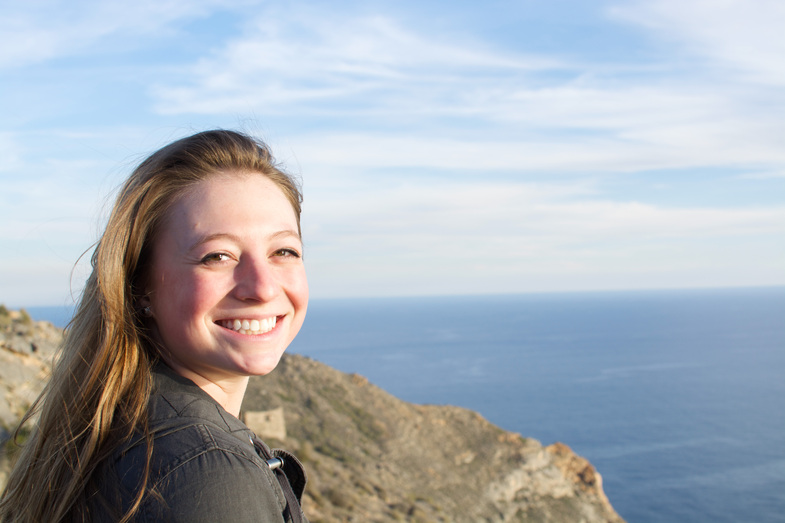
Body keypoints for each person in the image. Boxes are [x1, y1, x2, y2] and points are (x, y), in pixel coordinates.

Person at [0, 130, 310, 522]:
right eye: (217, 256)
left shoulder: (121, 426)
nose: (262, 287)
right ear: (141, 284)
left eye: (283, 250)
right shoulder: (207, 474)